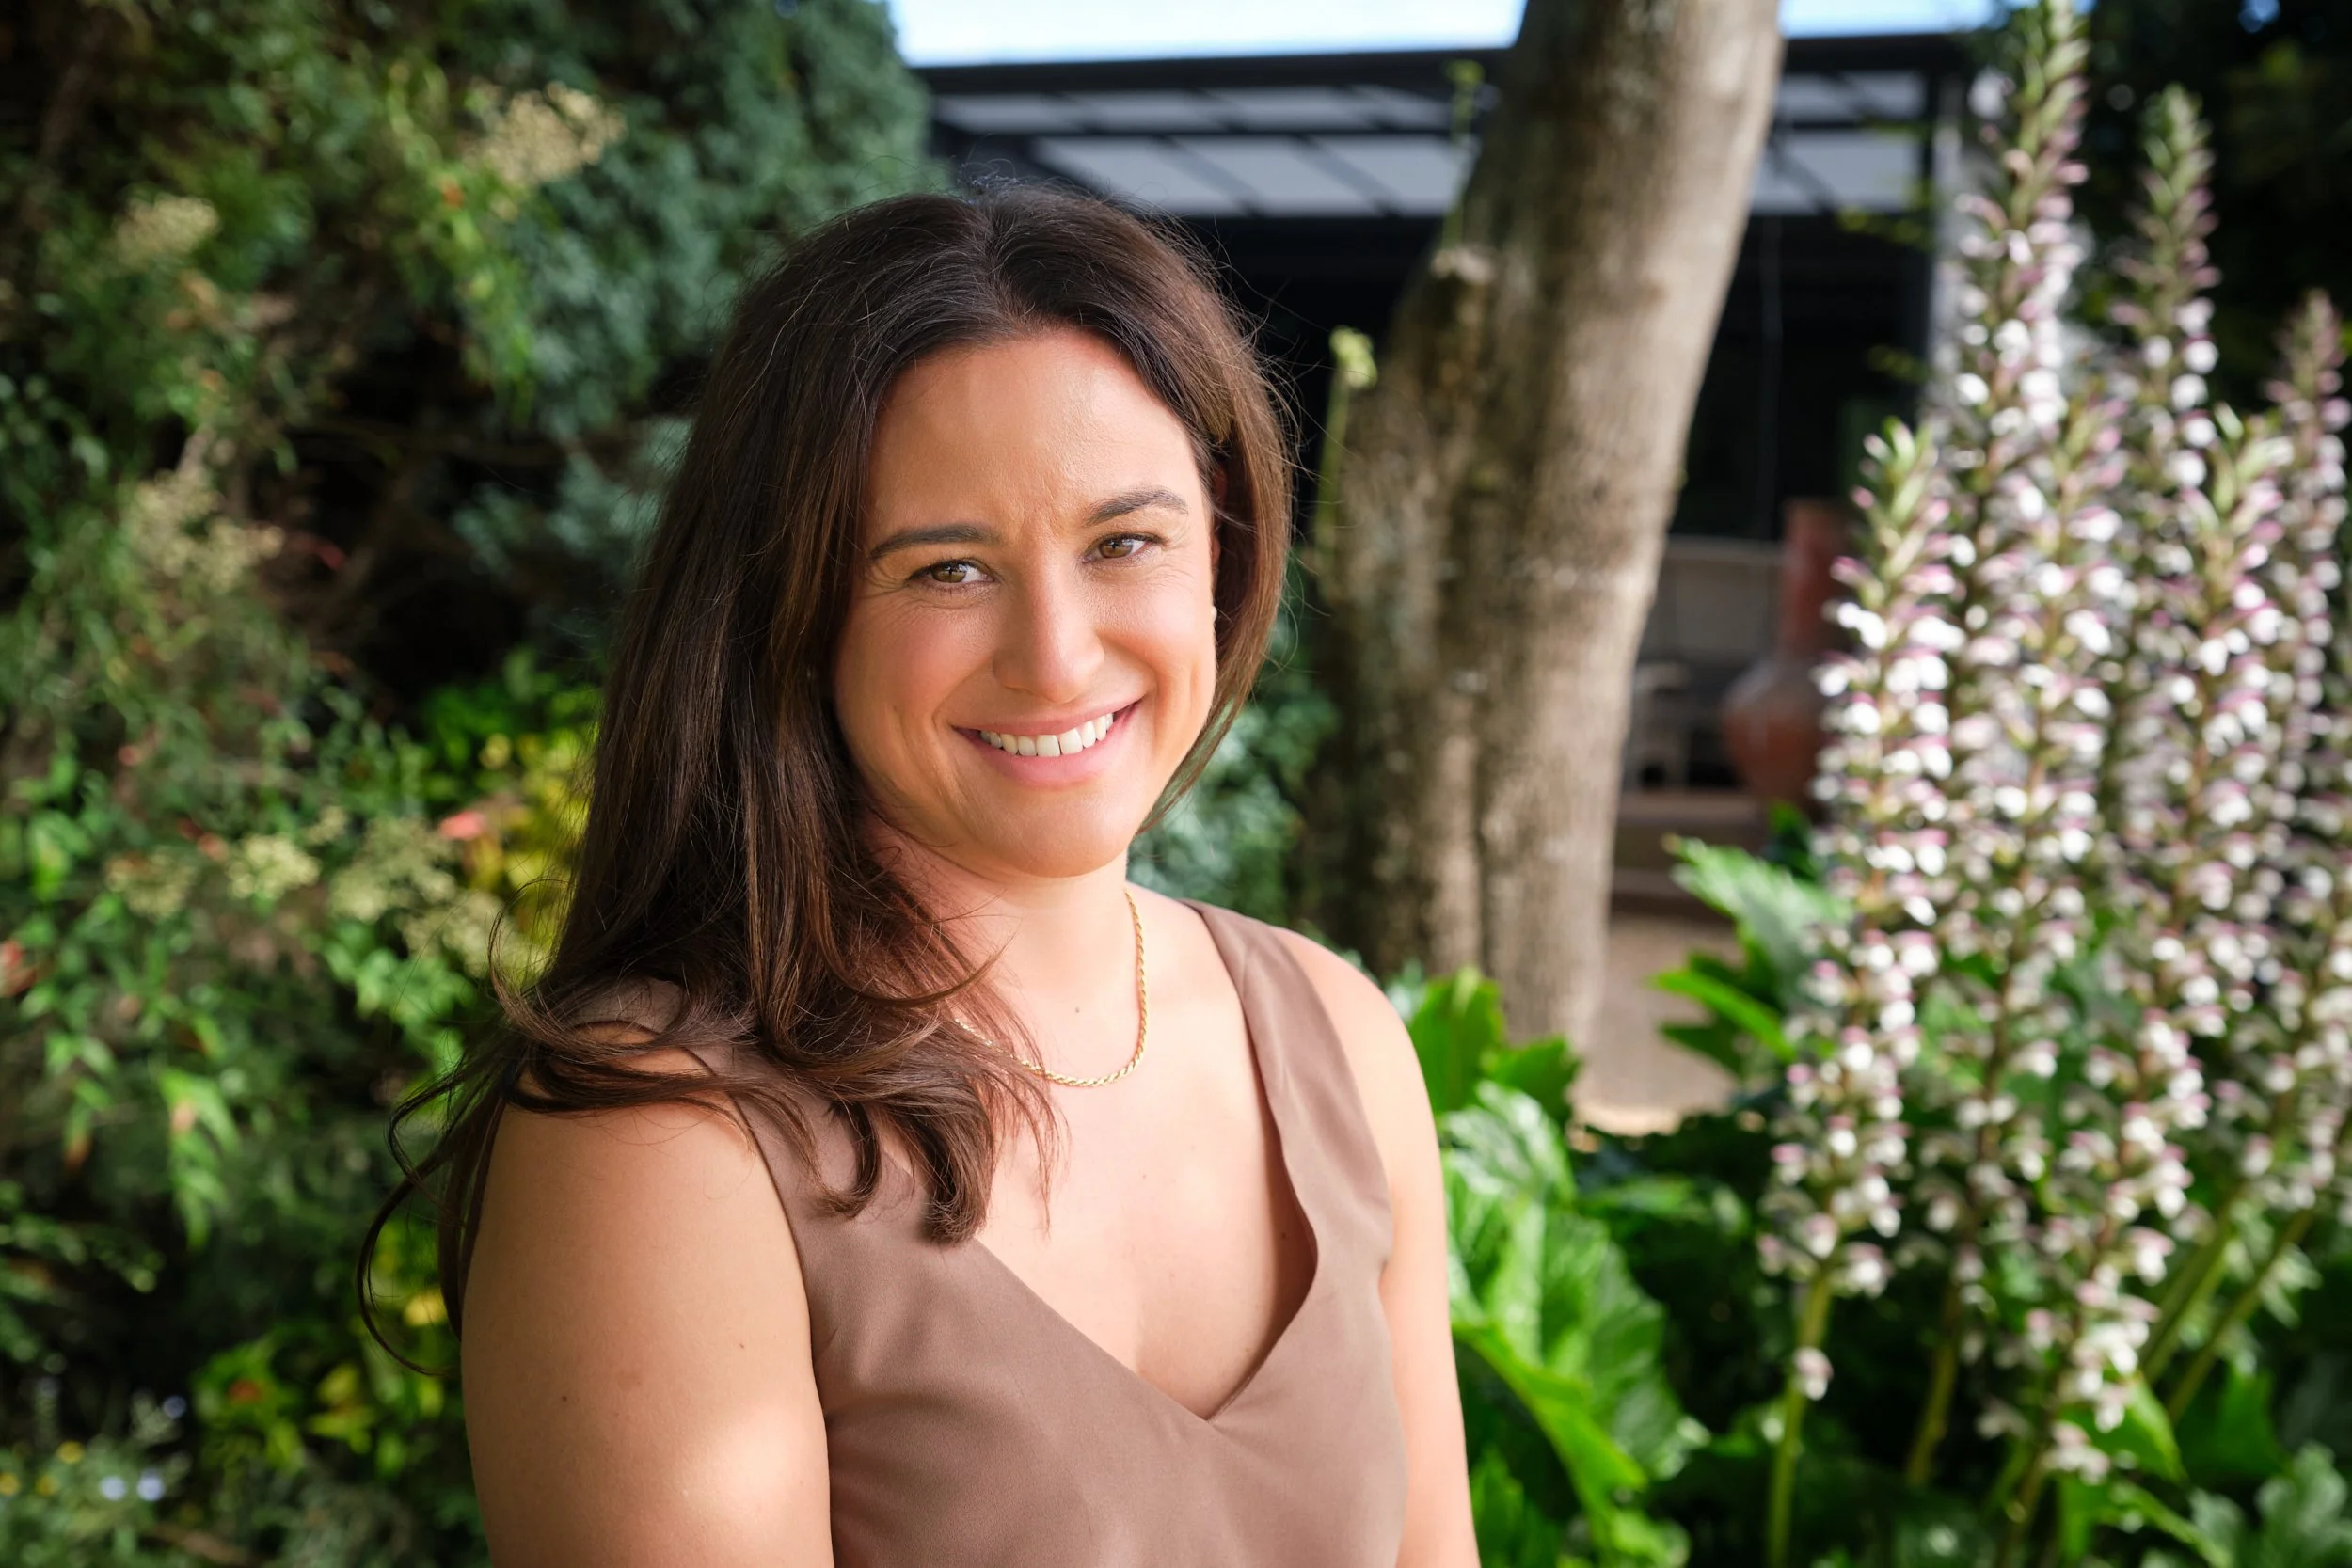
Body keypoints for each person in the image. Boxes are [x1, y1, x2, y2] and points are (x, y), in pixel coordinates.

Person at [404, 187, 1474, 1566]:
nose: (1057, 656)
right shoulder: (665, 1140)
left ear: (1222, 547)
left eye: (1124, 542)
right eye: (949, 569)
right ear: (792, 613)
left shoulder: (1339, 1038)